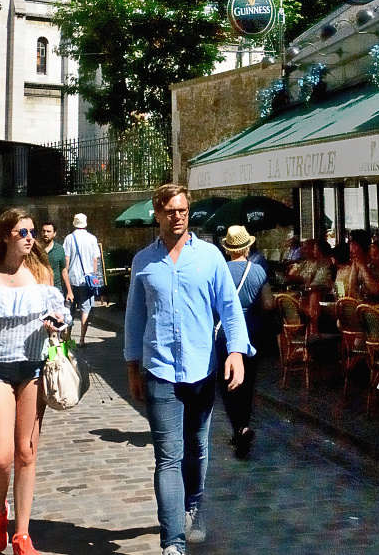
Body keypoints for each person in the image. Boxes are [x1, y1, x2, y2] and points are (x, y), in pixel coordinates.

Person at [125, 184, 252, 555]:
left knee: (197, 447)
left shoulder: (210, 257)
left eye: (182, 210)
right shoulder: (143, 262)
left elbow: (230, 308)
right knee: (167, 456)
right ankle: (172, 542)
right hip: (159, 370)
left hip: (201, 369)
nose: (177, 216)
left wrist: (237, 352)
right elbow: (135, 317)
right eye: (169, 210)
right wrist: (133, 366)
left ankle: (192, 505)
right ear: (158, 214)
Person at [0, 209, 70, 555]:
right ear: (5, 235)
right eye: (22, 232)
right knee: (1, 455)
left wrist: (56, 326)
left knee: (26, 452)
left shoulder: (41, 273)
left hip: (34, 369)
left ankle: (21, 533)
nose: (29, 238)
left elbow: (60, 319)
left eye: (32, 232)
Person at [216, 226, 273, 458]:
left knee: (227, 384)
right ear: (247, 247)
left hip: (224, 334)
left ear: (227, 249)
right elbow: (268, 304)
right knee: (247, 385)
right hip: (252, 334)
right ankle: (243, 426)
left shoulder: (220, 270)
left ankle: (239, 428)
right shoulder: (258, 271)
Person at [63, 213, 99, 346]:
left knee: (70, 310)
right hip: (87, 280)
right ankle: (82, 339)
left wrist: (65, 274)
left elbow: (66, 258)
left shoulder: (69, 238)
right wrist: (93, 275)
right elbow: (95, 259)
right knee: (85, 310)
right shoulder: (92, 238)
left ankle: (68, 337)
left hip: (72, 278)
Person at [40, 222, 73, 304]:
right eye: (43, 231)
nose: (45, 234)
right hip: (39, 288)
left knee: (57, 314)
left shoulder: (59, 249)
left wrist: (69, 291)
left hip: (56, 288)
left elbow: (64, 271)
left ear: (54, 234)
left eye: (48, 231)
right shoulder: (36, 250)